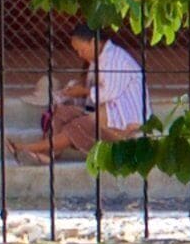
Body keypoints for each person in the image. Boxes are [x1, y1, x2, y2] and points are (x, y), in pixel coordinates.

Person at [12, 25, 149, 164]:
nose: (80, 55)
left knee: (78, 126)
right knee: (63, 113)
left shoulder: (115, 59)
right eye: (77, 51)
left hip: (126, 118)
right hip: (106, 113)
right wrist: (71, 94)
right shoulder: (97, 61)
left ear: (94, 42)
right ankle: (49, 155)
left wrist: (83, 91)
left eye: (81, 50)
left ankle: (27, 148)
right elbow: (91, 97)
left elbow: (108, 93)